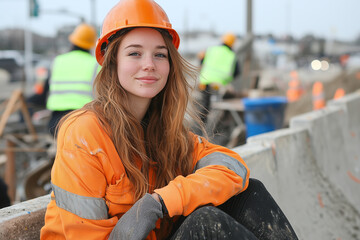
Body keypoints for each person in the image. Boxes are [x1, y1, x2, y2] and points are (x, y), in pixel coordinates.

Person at [40, 0, 298, 239]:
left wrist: (159, 202)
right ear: (112, 62)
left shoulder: (166, 134)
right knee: (205, 223)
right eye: (134, 53)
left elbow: (234, 170)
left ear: (170, 64)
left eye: (160, 54)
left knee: (250, 192)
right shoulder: (84, 134)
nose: (149, 64)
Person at [46, 23, 98, 136]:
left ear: (73, 41)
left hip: (56, 122)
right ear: (91, 44)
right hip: (84, 121)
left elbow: (46, 90)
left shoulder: (57, 61)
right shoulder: (95, 64)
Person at [198, 32, 241, 124]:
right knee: (223, 103)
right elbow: (237, 72)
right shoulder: (232, 55)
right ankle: (220, 126)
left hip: (205, 81)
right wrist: (228, 79)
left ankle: (201, 126)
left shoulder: (211, 49)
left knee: (205, 105)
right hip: (221, 84)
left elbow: (201, 61)